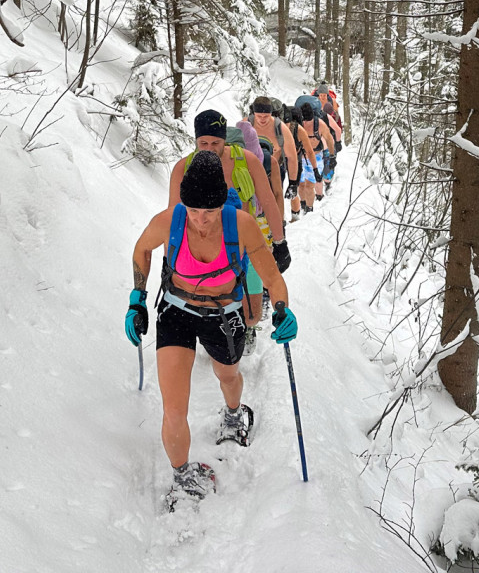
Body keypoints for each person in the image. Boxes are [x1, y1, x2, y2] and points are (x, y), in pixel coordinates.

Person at [127, 151, 299, 506]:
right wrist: (136, 299)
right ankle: (181, 476)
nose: (201, 221)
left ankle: (234, 413)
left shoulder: (241, 225)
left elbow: (272, 278)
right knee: (174, 408)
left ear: (222, 204)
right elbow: (142, 249)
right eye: (193, 211)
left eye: (209, 212)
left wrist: (282, 309)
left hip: (224, 315)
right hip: (176, 311)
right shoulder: (170, 221)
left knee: (227, 376)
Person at [169, 110, 290, 322]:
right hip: (203, 246)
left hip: (246, 242)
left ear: (224, 139)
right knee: (210, 304)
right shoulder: (184, 168)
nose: (209, 149)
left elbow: (269, 201)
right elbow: (173, 217)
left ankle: (246, 327)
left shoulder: (246, 161)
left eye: (215, 143)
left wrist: (280, 242)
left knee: (251, 315)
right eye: (203, 143)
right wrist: (170, 259)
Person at [298, 102, 335, 203]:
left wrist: (332, 156)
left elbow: (329, 139)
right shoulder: (297, 124)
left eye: (308, 122)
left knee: (309, 185)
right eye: (304, 121)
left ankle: (310, 208)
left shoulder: (320, 125)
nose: (306, 125)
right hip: (300, 158)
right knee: (301, 184)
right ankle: (303, 204)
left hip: (316, 156)